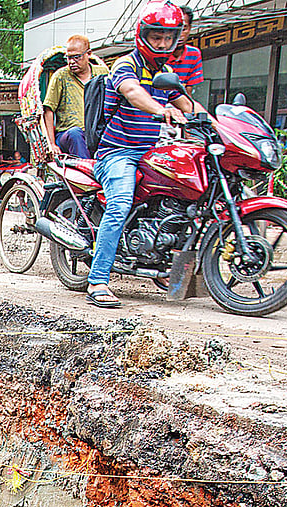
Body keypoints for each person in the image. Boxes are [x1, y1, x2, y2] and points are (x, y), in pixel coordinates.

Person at [87, 0, 204, 308]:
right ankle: (98, 280)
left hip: (151, 153)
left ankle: (164, 265)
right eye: (157, 37)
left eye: (169, 38)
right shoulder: (126, 65)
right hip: (116, 153)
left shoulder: (166, 73)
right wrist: (160, 109)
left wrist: (217, 125)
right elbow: (132, 91)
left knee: (187, 198)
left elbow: (189, 104)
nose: (163, 44)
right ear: (143, 35)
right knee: (121, 202)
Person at [42, 34, 109, 160]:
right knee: (76, 134)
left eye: (77, 57)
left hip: (96, 133)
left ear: (88, 54)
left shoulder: (102, 74)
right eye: (69, 58)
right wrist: (51, 143)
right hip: (68, 134)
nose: (72, 62)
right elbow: (48, 110)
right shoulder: (61, 76)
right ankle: (87, 174)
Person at [167, 6, 204, 89]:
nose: (179, 35)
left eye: (183, 29)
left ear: (190, 29)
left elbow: (188, 90)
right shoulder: (160, 54)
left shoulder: (194, 54)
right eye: (175, 29)